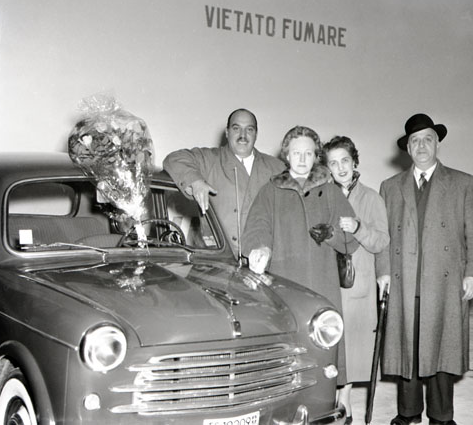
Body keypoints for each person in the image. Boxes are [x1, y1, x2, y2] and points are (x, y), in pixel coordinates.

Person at [379, 113, 473, 425]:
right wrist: (383, 272)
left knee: (442, 349)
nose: (422, 145)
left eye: (428, 139)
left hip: (444, 282)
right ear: (407, 148)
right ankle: (408, 412)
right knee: (407, 349)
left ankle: (441, 416)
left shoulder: (462, 183)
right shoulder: (390, 187)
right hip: (404, 281)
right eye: (415, 141)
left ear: (437, 144)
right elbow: (383, 237)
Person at [242, 126, 359, 386]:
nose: (303, 159)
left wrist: (331, 234)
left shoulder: (331, 191)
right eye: (297, 153)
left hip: (322, 283)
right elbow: (257, 227)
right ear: (286, 155)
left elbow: (350, 240)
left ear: (316, 156)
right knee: (286, 349)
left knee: (324, 347)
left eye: (308, 153)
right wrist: (261, 248)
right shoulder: (271, 191)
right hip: (284, 283)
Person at [322, 136, 390, 424]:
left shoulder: (372, 198)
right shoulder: (320, 195)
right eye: (333, 163)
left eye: (345, 161)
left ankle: (345, 401)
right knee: (328, 343)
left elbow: (382, 241)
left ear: (355, 162)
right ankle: (328, 399)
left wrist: (359, 228)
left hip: (356, 284)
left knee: (351, 346)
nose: (340, 168)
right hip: (325, 281)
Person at [163, 109, 285, 256]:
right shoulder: (209, 159)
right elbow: (174, 159)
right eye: (236, 128)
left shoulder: (277, 168)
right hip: (217, 259)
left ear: (256, 134)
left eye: (249, 129)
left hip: (263, 259)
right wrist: (196, 182)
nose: (243, 135)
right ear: (227, 133)